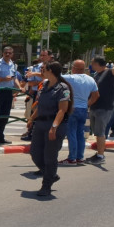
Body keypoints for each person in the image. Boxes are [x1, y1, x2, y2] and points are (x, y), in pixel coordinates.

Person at [27, 61, 72, 196]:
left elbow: (62, 110)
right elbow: (40, 106)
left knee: (50, 157)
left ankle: (46, 185)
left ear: (50, 71)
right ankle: (51, 174)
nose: (41, 71)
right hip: (40, 124)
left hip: (54, 125)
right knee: (35, 153)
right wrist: (32, 118)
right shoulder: (44, 85)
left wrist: (54, 127)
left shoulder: (63, 88)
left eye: (44, 69)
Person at [86, 57, 114, 164]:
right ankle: (98, 153)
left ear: (97, 64)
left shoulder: (109, 72)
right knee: (97, 133)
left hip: (103, 108)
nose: (91, 66)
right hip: (94, 107)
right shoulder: (97, 74)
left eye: (92, 63)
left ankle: (101, 156)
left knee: (100, 133)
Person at [60, 60, 99, 165]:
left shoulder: (70, 78)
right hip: (83, 109)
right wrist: (87, 104)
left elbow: (53, 78)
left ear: (74, 68)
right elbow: (96, 95)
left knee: (71, 133)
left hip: (72, 108)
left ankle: (72, 158)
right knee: (80, 134)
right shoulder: (90, 79)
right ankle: (79, 157)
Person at [0, 46, 21, 145]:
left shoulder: (13, 64)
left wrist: (19, 87)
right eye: (6, 53)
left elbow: (14, 78)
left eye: (9, 53)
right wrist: (3, 79)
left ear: (12, 54)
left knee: (5, 115)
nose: (7, 54)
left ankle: (0, 136)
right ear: (2, 53)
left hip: (8, 92)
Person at [21, 50, 54, 141]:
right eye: (41, 55)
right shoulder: (36, 67)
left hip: (49, 93)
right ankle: (31, 133)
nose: (42, 57)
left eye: (44, 55)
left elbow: (50, 78)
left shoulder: (53, 66)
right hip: (36, 93)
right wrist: (40, 81)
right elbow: (30, 83)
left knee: (43, 115)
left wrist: (36, 75)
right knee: (33, 114)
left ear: (50, 56)